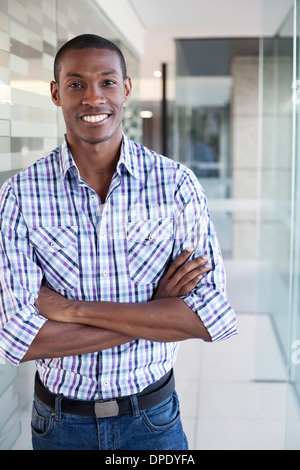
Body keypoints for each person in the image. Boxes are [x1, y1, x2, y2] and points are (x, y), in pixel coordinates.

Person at [0, 34, 237, 451]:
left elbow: (209, 318)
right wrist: (156, 313)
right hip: (59, 424)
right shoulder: (19, 195)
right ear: (56, 94)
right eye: (76, 84)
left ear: (125, 89)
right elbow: (18, 339)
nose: (94, 98)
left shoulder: (176, 185)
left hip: (153, 420)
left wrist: (70, 309)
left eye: (107, 82)